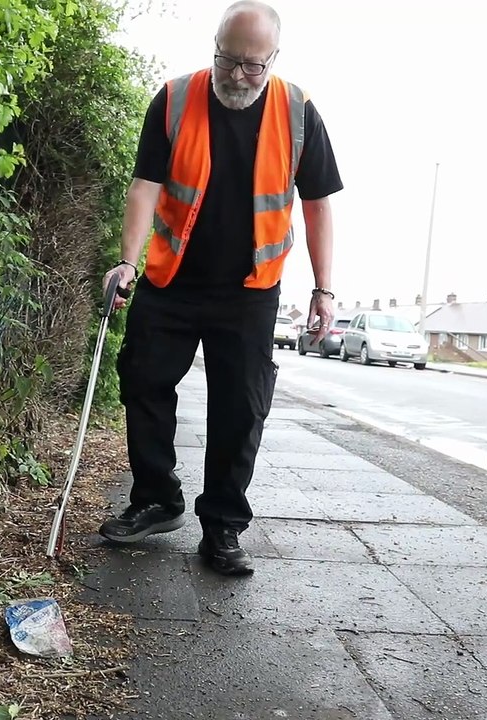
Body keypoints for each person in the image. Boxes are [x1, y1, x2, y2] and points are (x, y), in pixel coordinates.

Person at [97, 0, 343, 576]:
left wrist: (324, 289)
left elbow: (318, 205)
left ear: (273, 59)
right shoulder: (176, 99)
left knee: (241, 408)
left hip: (250, 288)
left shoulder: (299, 111)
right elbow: (145, 186)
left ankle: (223, 526)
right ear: (214, 47)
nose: (237, 75)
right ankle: (157, 498)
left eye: (252, 65)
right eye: (227, 59)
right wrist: (126, 261)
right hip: (171, 278)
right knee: (143, 380)